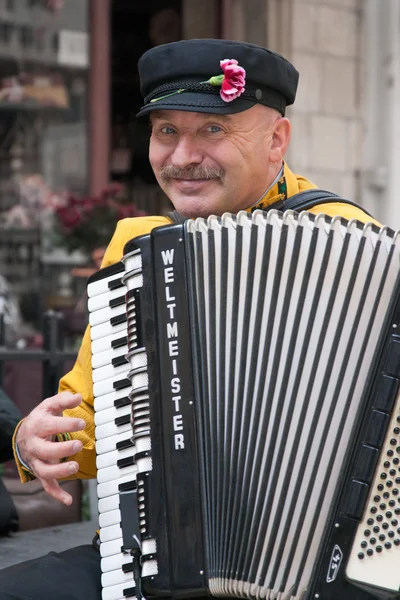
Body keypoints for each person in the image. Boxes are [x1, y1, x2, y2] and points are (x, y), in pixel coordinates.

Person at [0, 39, 380, 599]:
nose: (182, 158)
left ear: (276, 140)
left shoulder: (350, 244)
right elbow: (89, 426)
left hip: (317, 573)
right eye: (166, 132)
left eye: (213, 130)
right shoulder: (137, 247)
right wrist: (37, 441)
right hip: (156, 559)